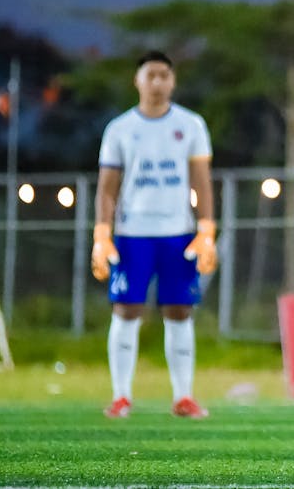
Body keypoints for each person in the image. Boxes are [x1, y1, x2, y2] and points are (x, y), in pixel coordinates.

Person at [91, 50, 217, 419]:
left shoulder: (191, 125)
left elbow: (202, 182)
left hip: (178, 233)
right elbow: (107, 187)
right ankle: (121, 396)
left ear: (173, 80)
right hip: (133, 234)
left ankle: (183, 396)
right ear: (138, 80)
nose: (158, 82)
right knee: (127, 309)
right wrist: (103, 232)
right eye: (151, 75)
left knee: (179, 310)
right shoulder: (120, 129)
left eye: (164, 75)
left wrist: (206, 227)